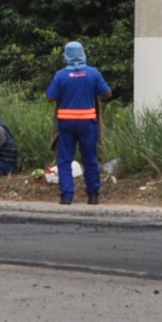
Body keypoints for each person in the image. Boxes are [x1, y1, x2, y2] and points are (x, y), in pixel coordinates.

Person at [45, 41, 111, 205]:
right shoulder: (93, 73)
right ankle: (93, 194)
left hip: (66, 123)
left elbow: (49, 98)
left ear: (66, 55)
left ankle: (67, 196)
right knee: (90, 158)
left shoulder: (60, 75)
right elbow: (108, 94)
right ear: (83, 53)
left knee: (65, 159)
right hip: (87, 123)